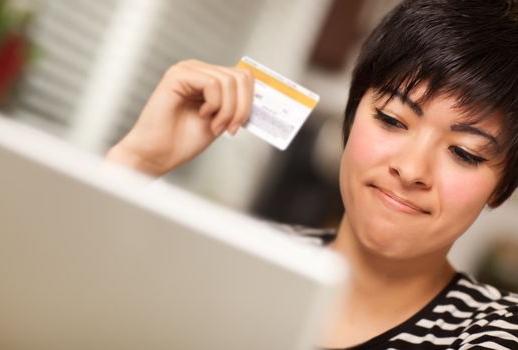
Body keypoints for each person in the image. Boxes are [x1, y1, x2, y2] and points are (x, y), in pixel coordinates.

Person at [106, 0, 518, 348]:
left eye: (465, 153)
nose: (411, 170)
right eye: (392, 120)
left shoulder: (495, 334)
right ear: (350, 119)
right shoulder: (244, 258)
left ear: (501, 186)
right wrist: (139, 161)